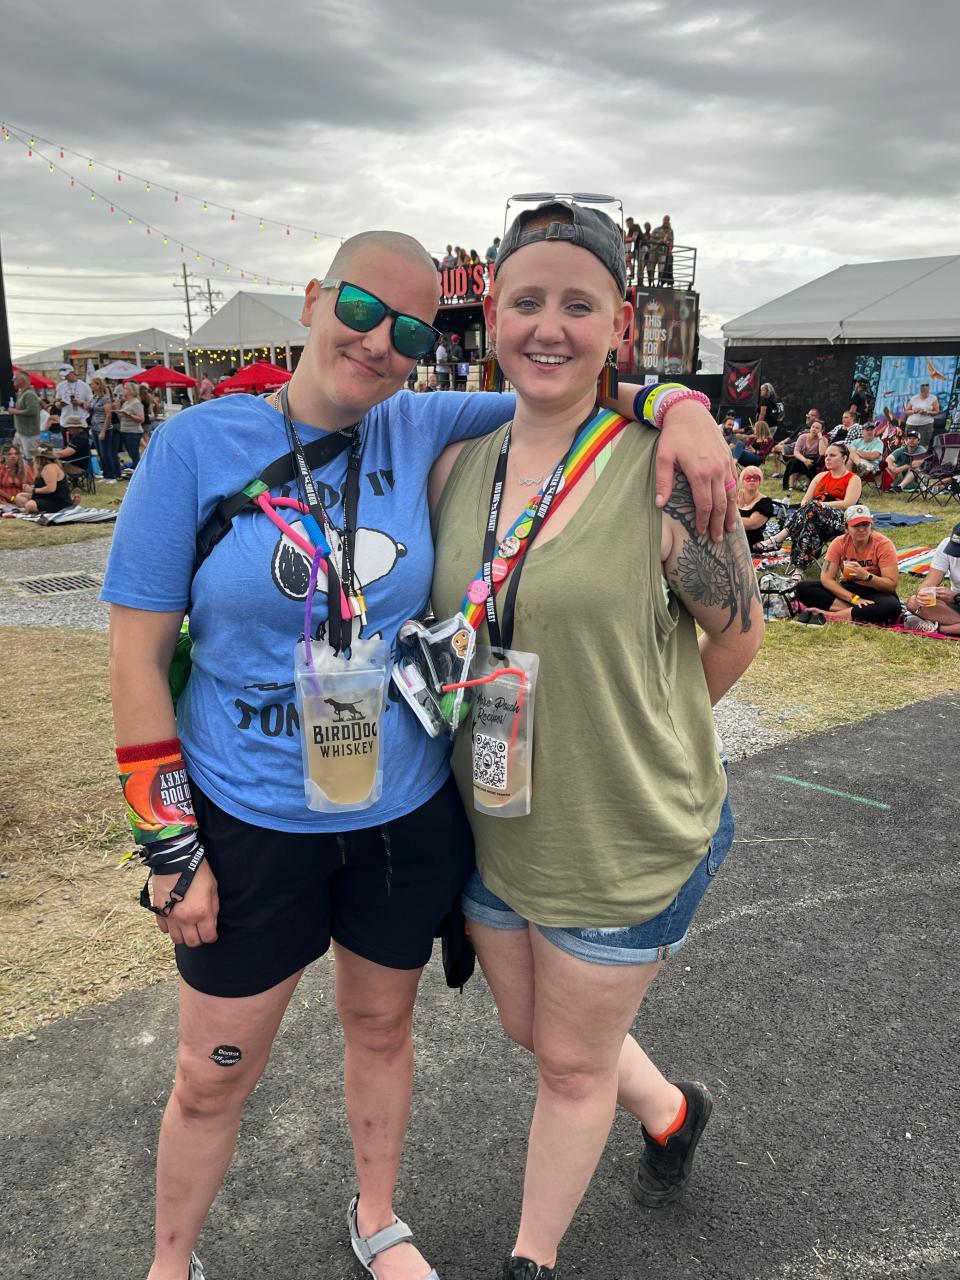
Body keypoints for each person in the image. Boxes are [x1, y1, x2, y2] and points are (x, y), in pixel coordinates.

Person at [101, 226, 737, 1280]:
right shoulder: (194, 447)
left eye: (407, 328)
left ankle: (379, 1215)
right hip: (248, 822)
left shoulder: (426, 420)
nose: (377, 342)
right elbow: (135, 664)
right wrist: (169, 846)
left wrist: (683, 404)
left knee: (382, 1030)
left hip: (401, 816)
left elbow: (566, 387)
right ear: (314, 299)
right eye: (358, 309)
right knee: (213, 1073)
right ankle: (171, 1262)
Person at [429, 199, 763, 1280]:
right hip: (501, 820)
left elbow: (737, 637)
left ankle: (533, 1258)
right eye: (527, 300)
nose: (549, 325)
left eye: (580, 303)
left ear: (620, 327)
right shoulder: (456, 465)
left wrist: (640, 733)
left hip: (622, 826)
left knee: (569, 1065)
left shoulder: (666, 471)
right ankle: (672, 1109)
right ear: (493, 317)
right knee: (536, 1027)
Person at [755, 442, 862, 576]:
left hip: (838, 521)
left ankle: (779, 538)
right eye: (827, 455)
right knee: (809, 526)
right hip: (814, 517)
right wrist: (815, 506)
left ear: (844, 458)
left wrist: (820, 505)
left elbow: (848, 503)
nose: (827, 458)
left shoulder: (853, 478)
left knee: (812, 506)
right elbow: (804, 501)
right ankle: (798, 571)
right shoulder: (820, 477)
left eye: (832, 455)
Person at [793, 504, 901, 626]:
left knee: (892, 607)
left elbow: (891, 585)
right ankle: (857, 611)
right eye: (856, 525)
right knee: (802, 588)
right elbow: (826, 578)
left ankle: (830, 616)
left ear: (871, 525)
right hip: (848, 590)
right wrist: (854, 599)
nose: (861, 529)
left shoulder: (883, 544)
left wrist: (866, 576)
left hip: (877, 592)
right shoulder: (838, 543)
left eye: (865, 525)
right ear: (846, 528)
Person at [902, 521, 960, 635]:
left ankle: (937, 629)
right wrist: (923, 593)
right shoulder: (947, 545)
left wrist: (956, 597)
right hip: (955, 606)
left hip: (956, 600)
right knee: (914, 603)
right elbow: (930, 581)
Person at [13, 441, 73, 514]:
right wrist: (31, 487)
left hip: (57, 500)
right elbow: (42, 484)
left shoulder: (49, 468)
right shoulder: (43, 468)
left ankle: (29, 509)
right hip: (46, 497)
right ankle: (30, 509)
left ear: (39, 457)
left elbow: (51, 489)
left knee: (30, 505)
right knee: (19, 497)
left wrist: (33, 490)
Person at [736, 465, 776, 549]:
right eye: (748, 477)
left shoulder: (765, 503)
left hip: (750, 545)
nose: (752, 480)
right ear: (742, 481)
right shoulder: (734, 496)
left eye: (755, 477)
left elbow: (751, 524)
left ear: (760, 481)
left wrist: (725, 519)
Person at [781, 418, 826, 490]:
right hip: (801, 457)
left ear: (822, 431)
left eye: (817, 428)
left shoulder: (823, 440)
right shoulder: (802, 437)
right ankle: (791, 486)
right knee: (793, 462)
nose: (814, 429)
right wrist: (805, 460)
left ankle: (808, 486)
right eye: (813, 427)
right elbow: (796, 452)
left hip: (814, 459)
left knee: (811, 464)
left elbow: (822, 453)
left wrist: (820, 438)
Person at [9, 369, 42, 462]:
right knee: (22, 457)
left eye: (15, 378)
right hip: (22, 432)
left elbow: (32, 411)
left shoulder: (29, 394)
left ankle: (33, 476)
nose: (13, 380)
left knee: (32, 459)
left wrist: (15, 411)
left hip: (30, 434)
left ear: (22, 380)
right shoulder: (22, 393)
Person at [118, 383, 146, 468]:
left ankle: (138, 469)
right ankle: (135, 468)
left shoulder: (136, 403)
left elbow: (141, 419)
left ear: (131, 391)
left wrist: (129, 415)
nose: (124, 390)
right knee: (130, 453)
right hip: (125, 430)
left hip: (133, 431)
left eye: (126, 388)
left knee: (134, 453)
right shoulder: (126, 403)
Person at [905, 382, 940, 446]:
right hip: (911, 424)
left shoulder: (933, 398)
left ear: (929, 388)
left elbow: (937, 412)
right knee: (909, 444)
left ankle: (921, 456)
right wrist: (913, 411)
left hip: (925, 425)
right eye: (923, 385)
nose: (925, 387)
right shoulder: (914, 398)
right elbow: (907, 411)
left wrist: (927, 412)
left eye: (927, 385)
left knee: (923, 445)